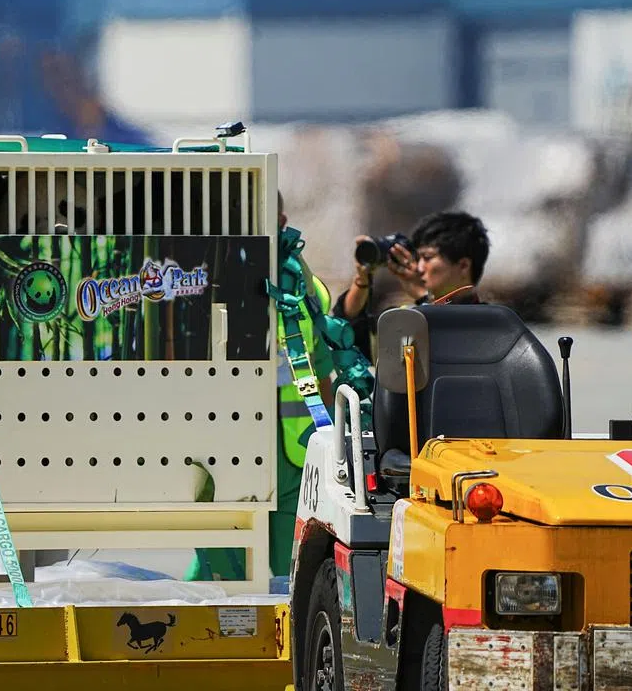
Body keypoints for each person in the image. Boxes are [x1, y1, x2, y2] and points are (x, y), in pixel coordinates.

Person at [185, 191, 334, 581]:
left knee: (291, 581)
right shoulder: (200, 283)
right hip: (230, 455)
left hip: (292, 457)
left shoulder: (304, 287)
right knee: (224, 580)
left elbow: (323, 372)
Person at [332, 211, 490, 362]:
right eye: (418, 257)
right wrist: (362, 279)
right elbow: (344, 335)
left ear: (463, 266)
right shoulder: (402, 321)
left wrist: (423, 298)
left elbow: (455, 349)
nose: (420, 268)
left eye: (427, 258)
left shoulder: (493, 324)